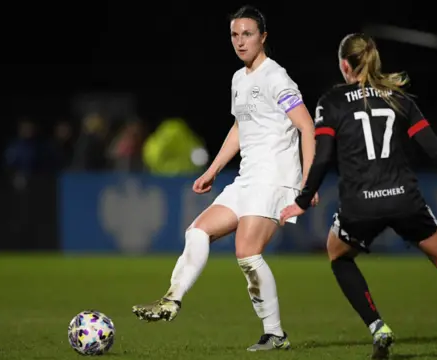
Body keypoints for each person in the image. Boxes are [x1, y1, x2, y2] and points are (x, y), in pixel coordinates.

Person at [279, 33, 437, 359]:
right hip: (404, 199)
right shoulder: (398, 98)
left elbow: (322, 158)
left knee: (338, 255)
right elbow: (436, 150)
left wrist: (303, 201)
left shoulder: (331, 102)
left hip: (360, 204)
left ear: (345, 65)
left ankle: (379, 327)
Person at [131, 5, 318, 352]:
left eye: (247, 34)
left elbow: (307, 127)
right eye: (235, 34)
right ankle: (172, 299)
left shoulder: (276, 77)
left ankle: (275, 333)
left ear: (263, 37)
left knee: (247, 253)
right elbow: (239, 128)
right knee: (198, 231)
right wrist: (213, 170)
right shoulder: (238, 79)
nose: (240, 41)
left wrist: (309, 183)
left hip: (276, 178)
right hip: (248, 179)